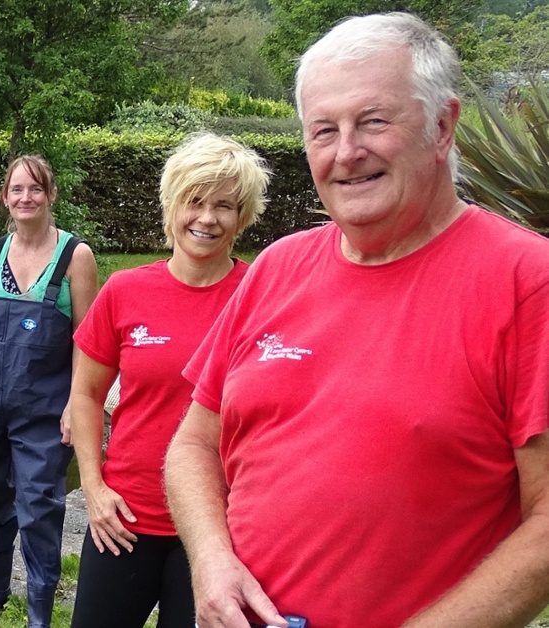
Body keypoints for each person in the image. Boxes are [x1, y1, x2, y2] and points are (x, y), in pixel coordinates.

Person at [164, 12, 549, 628]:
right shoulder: (277, 267)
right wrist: (211, 564)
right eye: (324, 130)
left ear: (442, 126)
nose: (346, 152)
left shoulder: (528, 281)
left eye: (373, 121)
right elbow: (192, 444)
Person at [68, 133, 271, 628]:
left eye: (224, 205)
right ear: (172, 206)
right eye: (194, 201)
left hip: (215, 532)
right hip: (124, 522)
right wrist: (93, 488)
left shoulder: (262, 295)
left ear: (242, 217)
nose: (206, 218)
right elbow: (86, 393)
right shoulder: (125, 291)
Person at [0, 154, 99, 627]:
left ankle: (39, 611)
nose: (25, 198)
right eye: (16, 190)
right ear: (5, 199)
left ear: (51, 194)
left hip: (45, 408)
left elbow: (88, 343)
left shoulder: (76, 257)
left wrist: (77, 403)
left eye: (35, 189)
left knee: (38, 506)